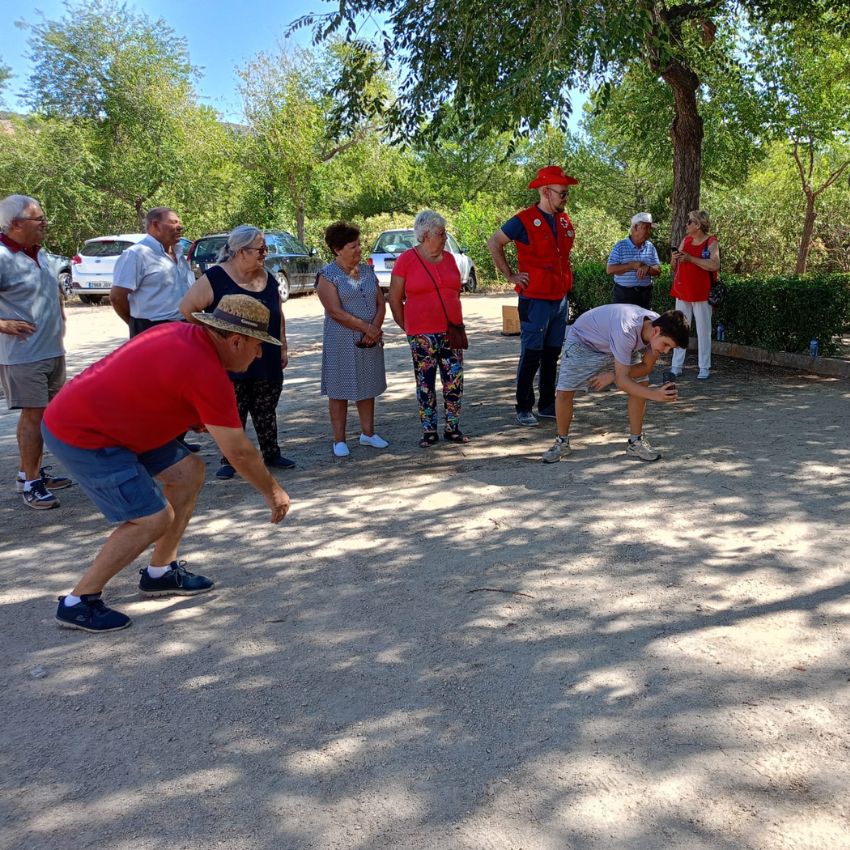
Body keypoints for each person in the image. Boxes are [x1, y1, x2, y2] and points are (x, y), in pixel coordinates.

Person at [43, 294, 291, 633]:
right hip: (84, 434)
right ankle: (79, 601)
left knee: (188, 472)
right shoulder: (205, 369)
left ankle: (160, 572)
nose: (259, 353)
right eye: (257, 344)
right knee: (151, 518)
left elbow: (152, 387)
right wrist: (273, 491)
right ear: (235, 340)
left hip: (119, 425)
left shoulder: (183, 335)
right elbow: (239, 452)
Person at [179, 225, 294, 478]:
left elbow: (278, 312)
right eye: (260, 249)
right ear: (241, 251)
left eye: (265, 249)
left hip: (265, 353)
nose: (265, 253)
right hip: (231, 356)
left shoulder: (267, 276)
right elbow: (188, 308)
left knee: (266, 405)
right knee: (233, 406)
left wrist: (283, 344)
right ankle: (229, 460)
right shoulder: (216, 277)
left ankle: (271, 452)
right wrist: (213, 338)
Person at [541, 305, 689, 464]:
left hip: (616, 345)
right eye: (666, 345)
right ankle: (562, 443)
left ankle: (636, 442)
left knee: (642, 382)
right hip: (584, 343)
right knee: (564, 391)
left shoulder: (656, 326)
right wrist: (655, 395)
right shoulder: (626, 330)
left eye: (670, 348)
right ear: (656, 331)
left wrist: (613, 375)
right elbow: (623, 381)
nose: (666, 351)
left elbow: (646, 366)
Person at [487, 165, 577, 427]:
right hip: (534, 298)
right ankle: (524, 406)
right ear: (546, 192)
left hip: (559, 298)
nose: (565, 198)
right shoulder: (523, 220)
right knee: (532, 353)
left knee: (552, 353)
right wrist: (510, 275)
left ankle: (547, 404)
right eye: (562, 193)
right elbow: (495, 242)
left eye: (567, 194)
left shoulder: (563, 219)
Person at [0, 194, 72, 510]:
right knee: (34, 416)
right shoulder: (2, 256)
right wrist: (3, 324)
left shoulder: (39, 254)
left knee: (44, 416)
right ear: (15, 224)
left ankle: (27, 472)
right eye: (37, 218)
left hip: (51, 350)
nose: (44, 223)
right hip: (23, 354)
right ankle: (31, 484)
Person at [388, 210, 469, 447]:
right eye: (440, 233)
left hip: (451, 331)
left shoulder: (450, 259)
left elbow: (454, 292)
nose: (444, 237)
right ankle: (429, 430)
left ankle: (452, 427)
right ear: (425, 235)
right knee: (425, 383)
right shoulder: (406, 260)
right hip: (421, 334)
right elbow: (394, 298)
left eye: (444, 233)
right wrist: (408, 327)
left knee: (454, 380)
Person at [317, 221, 388, 457]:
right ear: (338, 249)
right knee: (339, 388)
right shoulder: (328, 275)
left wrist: (374, 328)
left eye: (359, 245)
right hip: (341, 339)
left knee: (367, 384)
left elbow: (380, 302)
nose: (359, 249)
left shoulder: (367, 271)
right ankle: (339, 440)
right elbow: (335, 311)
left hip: (370, 336)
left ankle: (368, 433)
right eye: (353, 246)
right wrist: (366, 327)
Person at [110, 207, 194, 338]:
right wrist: (136, 325)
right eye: (173, 222)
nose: (179, 227)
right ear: (156, 225)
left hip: (184, 327)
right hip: (152, 328)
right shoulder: (136, 254)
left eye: (179, 222)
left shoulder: (178, 253)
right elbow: (117, 297)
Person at [670, 209, 720, 380]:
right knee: (680, 328)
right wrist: (675, 257)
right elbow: (674, 265)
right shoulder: (686, 239)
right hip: (683, 291)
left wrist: (691, 259)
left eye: (690, 222)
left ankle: (704, 367)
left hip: (702, 292)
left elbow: (714, 265)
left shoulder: (711, 241)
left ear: (698, 225)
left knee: (703, 330)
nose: (686, 224)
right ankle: (676, 365)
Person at [606, 212, 661, 308]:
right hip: (623, 296)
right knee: (623, 323)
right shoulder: (620, 246)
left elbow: (658, 271)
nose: (649, 231)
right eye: (646, 228)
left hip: (644, 295)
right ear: (635, 228)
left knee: (642, 323)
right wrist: (631, 265)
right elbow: (610, 270)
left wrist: (647, 268)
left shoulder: (650, 247)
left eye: (650, 228)